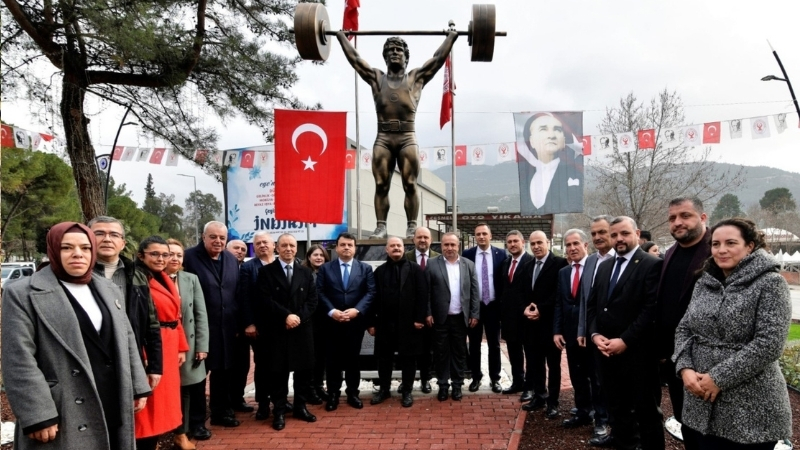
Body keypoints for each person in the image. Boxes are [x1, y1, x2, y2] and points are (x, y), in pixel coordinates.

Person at [2, 222, 151, 449]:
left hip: (111, 394)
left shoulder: (108, 288)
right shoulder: (23, 293)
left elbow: (127, 338)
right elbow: (18, 359)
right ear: (53, 250)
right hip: (63, 407)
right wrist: (37, 414)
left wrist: (138, 386)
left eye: (85, 248)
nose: (77, 254)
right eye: (66, 248)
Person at [674, 218, 791, 449]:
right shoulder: (704, 282)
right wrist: (684, 368)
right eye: (715, 244)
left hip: (750, 404)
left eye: (730, 243)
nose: (721, 250)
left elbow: (769, 344)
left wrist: (718, 378)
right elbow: (684, 328)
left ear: (750, 246)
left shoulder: (770, 283)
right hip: (699, 400)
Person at [336, 30, 458, 238]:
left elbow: (437, 59)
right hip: (383, 138)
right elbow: (355, 59)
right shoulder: (376, 78)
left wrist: (451, 37)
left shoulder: (415, 78)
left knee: (410, 183)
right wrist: (340, 37)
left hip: (407, 136)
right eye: (390, 50)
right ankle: (381, 227)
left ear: (406, 56)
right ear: (385, 56)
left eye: (398, 50)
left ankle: (412, 227)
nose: (394, 52)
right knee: (381, 184)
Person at [587, 216, 664, 450]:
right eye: (614, 235)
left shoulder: (652, 264)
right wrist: (594, 334)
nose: (618, 239)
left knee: (646, 412)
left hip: (637, 354)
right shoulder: (605, 266)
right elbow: (593, 306)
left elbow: (650, 309)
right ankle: (624, 444)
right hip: (606, 353)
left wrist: (625, 340)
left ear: (637, 233)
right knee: (617, 408)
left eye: (624, 233)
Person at [656, 197, 710, 442]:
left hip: (708, 363)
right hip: (675, 358)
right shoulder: (670, 253)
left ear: (702, 218)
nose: (678, 222)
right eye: (672, 218)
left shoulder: (717, 251)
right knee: (686, 424)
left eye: (685, 216)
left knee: (711, 433)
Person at [88, 216, 163, 393]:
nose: (107, 239)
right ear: (89, 238)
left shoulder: (137, 276)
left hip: (128, 357)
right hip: (91, 360)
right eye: (99, 233)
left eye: (114, 234)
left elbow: (151, 324)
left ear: (122, 243)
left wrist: (155, 366)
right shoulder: (79, 276)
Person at [256, 234, 318, 431]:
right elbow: (264, 300)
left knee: (303, 373)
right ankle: (280, 411)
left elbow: (312, 300)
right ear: (277, 248)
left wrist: (297, 317)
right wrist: (286, 316)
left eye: (292, 245)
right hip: (278, 330)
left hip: (301, 329)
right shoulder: (266, 272)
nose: (289, 249)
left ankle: (300, 407)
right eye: (284, 245)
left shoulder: (306, 273)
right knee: (278, 374)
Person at [183, 221, 241, 429]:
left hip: (226, 329)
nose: (218, 241)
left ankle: (220, 413)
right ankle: (196, 422)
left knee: (223, 374)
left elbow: (235, 293)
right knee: (198, 378)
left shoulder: (231, 260)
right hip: (198, 330)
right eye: (213, 237)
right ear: (203, 236)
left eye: (222, 238)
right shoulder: (188, 257)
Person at [133, 236, 189, 450]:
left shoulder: (163, 277)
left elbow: (176, 316)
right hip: (153, 346)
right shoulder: (138, 279)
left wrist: (181, 346)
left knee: (164, 404)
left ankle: (157, 439)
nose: (161, 258)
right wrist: (145, 354)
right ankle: (145, 442)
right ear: (141, 255)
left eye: (164, 254)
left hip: (169, 344)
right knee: (149, 404)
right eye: (154, 254)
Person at [317, 232, 376, 411]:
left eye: (350, 245)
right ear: (337, 247)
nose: (346, 248)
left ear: (355, 248)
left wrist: (356, 311)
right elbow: (320, 292)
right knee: (332, 360)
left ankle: (353, 393)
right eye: (343, 245)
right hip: (332, 322)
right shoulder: (326, 268)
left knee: (353, 360)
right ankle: (333, 394)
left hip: (354, 322)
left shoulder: (365, 268)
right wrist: (332, 311)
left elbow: (370, 292)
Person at [368, 236, 428, 407]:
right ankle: (384, 390)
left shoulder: (415, 269)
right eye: (392, 246)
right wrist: (371, 323)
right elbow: (372, 298)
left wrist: (419, 318)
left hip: (409, 324)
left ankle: (407, 391)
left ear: (403, 248)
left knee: (408, 358)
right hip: (384, 324)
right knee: (384, 358)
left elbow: (422, 295)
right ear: (386, 250)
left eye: (398, 245)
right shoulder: (379, 272)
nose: (396, 248)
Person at [165, 238, 210, 448]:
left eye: (178, 254)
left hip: (189, 343)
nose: (174, 258)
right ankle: (172, 428)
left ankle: (192, 426)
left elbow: (200, 314)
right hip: (164, 344)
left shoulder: (190, 279)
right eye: (170, 253)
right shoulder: (150, 279)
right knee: (168, 391)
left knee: (192, 388)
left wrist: (202, 346)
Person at [426, 232, 480, 402]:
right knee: (441, 353)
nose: (449, 248)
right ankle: (443, 385)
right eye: (446, 245)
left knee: (459, 353)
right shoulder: (431, 264)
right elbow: (426, 292)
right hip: (440, 318)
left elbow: (474, 292)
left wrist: (474, 313)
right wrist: (427, 312)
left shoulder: (468, 265)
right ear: (441, 246)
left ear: (458, 246)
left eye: (453, 245)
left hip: (460, 318)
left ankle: (457, 385)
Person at [521, 231, 568, 419]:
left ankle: (553, 402)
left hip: (550, 325)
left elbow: (559, 294)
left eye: (539, 242)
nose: (536, 246)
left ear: (548, 242)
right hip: (531, 326)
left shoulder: (559, 264)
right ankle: (540, 396)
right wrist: (525, 309)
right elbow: (523, 293)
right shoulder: (527, 265)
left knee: (553, 366)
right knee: (534, 364)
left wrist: (541, 308)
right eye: (532, 244)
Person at [553, 229, 595, 431]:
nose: (572, 248)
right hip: (569, 333)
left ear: (585, 245)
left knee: (594, 375)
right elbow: (560, 304)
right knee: (576, 374)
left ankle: (600, 414)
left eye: (575, 244)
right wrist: (557, 330)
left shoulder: (596, 268)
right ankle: (583, 411)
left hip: (590, 334)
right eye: (568, 245)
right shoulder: (563, 273)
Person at [577, 215, 614, 446]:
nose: (598, 237)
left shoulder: (623, 260)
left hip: (617, 336)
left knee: (615, 383)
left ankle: (620, 425)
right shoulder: (590, 261)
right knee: (596, 380)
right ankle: (601, 422)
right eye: (594, 234)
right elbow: (585, 300)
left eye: (603, 232)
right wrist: (583, 329)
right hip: (593, 333)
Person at [462, 224, 506, 393]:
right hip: (475, 306)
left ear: (490, 235)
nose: (481, 237)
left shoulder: (501, 254)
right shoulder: (467, 254)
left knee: (494, 344)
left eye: (484, 234)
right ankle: (476, 377)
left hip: (494, 306)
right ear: (475, 236)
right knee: (474, 344)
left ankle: (495, 378)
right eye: (478, 234)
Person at [237, 231, 277, 420]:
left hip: (282, 327)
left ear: (273, 245)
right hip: (259, 328)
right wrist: (249, 323)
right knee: (262, 366)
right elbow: (244, 297)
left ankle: (280, 400)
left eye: (265, 242)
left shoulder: (282, 265)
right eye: (258, 243)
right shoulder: (248, 268)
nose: (262, 245)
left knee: (280, 365)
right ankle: (263, 403)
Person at [516, 112, 584, 215]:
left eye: (557, 129)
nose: (552, 136)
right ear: (532, 140)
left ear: (564, 140)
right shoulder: (526, 177)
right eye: (543, 129)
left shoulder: (574, 173)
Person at [496, 230, 533, 396]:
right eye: (509, 242)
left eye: (515, 241)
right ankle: (518, 382)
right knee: (514, 353)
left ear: (522, 242)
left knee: (530, 354)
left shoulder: (531, 262)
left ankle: (530, 386)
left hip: (526, 317)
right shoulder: (505, 263)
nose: (512, 244)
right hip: (509, 318)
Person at [404, 226, 440, 393]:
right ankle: (407, 383)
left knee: (428, 349)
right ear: (413, 240)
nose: (423, 240)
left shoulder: (439, 259)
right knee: (409, 350)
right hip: (411, 314)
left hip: (433, 312)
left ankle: (426, 379)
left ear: (431, 240)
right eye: (419, 237)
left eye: (426, 237)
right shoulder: (405, 258)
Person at [303, 244, 332, 403]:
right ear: (309, 257)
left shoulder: (328, 272)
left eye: (321, 255)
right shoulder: (304, 273)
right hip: (309, 321)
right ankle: (309, 389)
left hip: (326, 321)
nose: (319, 258)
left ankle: (319, 386)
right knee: (310, 358)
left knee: (322, 357)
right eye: (315, 255)